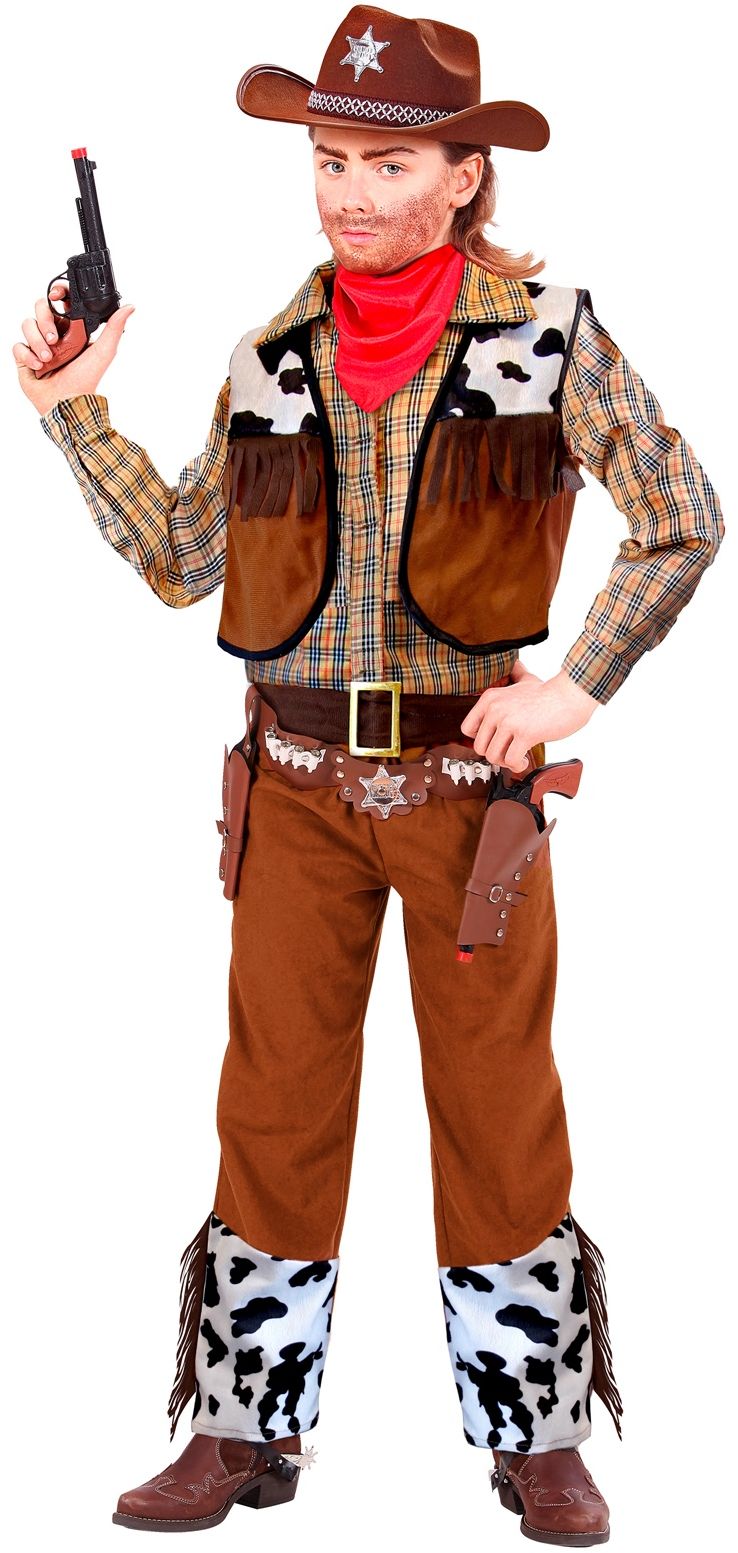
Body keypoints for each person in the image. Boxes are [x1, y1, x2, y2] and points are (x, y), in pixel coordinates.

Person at [13, 6, 724, 1544]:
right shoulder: (269, 356)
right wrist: (71, 411)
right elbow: (181, 557)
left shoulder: (547, 337)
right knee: (269, 1098)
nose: (347, 190)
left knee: (497, 1103)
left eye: (386, 163)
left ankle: (533, 1431)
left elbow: (681, 513)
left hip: (470, 801)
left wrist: (572, 685)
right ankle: (243, 1423)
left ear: (463, 176)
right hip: (291, 791)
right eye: (329, 159)